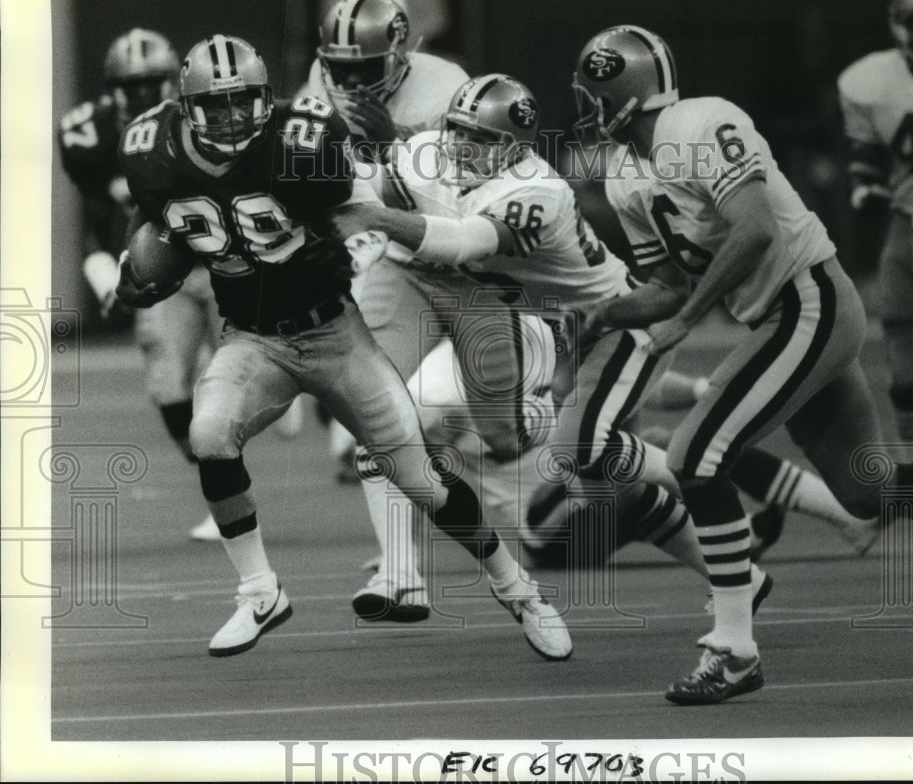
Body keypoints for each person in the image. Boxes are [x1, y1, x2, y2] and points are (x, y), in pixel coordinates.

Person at [115, 35, 571, 662]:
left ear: (264, 98)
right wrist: (138, 264)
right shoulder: (150, 149)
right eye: (213, 107)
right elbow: (149, 219)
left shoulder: (304, 137)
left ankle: (518, 590)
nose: (229, 119)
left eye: (241, 103)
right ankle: (258, 592)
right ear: (186, 106)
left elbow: (362, 214)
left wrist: (348, 239)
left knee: (418, 478)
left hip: (334, 333)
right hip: (253, 338)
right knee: (210, 431)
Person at [568, 25, 913, 704]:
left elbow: (756, 230)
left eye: (594, 94)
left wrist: (685, 323)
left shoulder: (703, 122)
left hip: (809, 300)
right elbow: (670, 286)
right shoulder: (625, 174)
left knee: (693, 456)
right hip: (779, 317)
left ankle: (735, 648)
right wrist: (606, 312)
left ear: (621, 94)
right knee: (867, 490)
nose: (586, 107)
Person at [331, 73, 775, 624]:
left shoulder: (536, 191)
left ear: (516, 148)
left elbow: (465, 242)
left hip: (619, 325)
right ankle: (740, 576)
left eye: (483, 140)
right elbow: (386, 184)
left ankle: (692, 462)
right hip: (563, 331)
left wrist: (373, 213)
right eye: (458, 131)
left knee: (581, 450)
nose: (462, 147)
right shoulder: (428, 151)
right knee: (612, 489)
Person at [296, 0, 471, 483]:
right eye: (340, 67)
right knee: (372, 397)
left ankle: (455, 433)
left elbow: (456, 198)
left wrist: (392, 143)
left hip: (470, 261)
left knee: (507, 429)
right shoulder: (321, 80)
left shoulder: (447, 85)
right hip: (396, 256)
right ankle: (398, 556)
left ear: (400, 53)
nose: (350, 80)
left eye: (365, 67)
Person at [58, 27, 222, 542]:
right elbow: (95, 211)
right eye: (133, 85)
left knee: (256, 377)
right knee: (170, 385)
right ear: (113, 87)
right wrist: (104, 269)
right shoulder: (91, 135)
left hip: (223, 263)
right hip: (160, 272)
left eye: (154, 83)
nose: (145, 95)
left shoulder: (206, 117)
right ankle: (222, 491)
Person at [838, 0, 913, 445]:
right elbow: (865, 153)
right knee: (902, 359)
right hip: (909, 222)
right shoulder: (869, 81)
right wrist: (866, 185)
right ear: (898, 27)